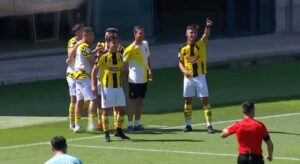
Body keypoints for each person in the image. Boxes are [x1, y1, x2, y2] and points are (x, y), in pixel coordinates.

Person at [91, 34, 130, 142]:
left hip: (118, 87)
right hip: (107, 88)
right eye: (113, 42)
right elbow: (94, 71)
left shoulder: (119, 56)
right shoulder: (103, 56)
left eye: (116, 42)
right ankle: (106, 133)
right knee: (105, 111)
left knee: (121, 110)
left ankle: (118, 130)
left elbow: (122, 71)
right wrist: (93, 85)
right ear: (108, 43)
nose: (116, 44)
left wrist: (125, 84)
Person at [178, 18, 214, 133]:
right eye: (190, 32)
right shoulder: (182, 48)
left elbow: (206, 35)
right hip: (188, 78)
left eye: (194, 32)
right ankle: (188, 125)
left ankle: (209, 125)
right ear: (186, 33)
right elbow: (180, 62)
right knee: (188, 100)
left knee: (204, 99)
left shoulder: (201, 44)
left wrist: (208, 26)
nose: (192, 34)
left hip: (200, 77)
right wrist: (184, 71)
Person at [67, 27, 99, 132]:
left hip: (77, 76)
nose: (93, 37)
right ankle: (91, 123)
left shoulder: (81, 46)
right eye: (91, 35)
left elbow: (87, 55)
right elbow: (91, 60)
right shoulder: (85, 46)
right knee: (93, 99)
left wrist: (95, 51)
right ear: (86, 36)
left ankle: (77, 125)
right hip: (84, 76)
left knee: (79, 101)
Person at [94, 28, 125, 130]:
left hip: (114, 80)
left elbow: (122, 64)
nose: (108, 37)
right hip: (101, 77)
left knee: (116, 104)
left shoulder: (120, 48)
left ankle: (116, 123)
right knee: (100, 101)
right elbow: (96, 62)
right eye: (107, 35)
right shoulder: (100, 47)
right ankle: (100, 122)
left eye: (113, 35)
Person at [123, 26, 152, 132]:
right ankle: (130, 125)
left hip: (143, 79)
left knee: (140, 101)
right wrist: (128, 75)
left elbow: (148, 57)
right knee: (132, 102)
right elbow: (124, 64)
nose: (142, 35)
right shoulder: (130, 48)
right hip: (134, 80)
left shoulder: (145, 44)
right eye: (140, 33)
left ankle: (138, 124)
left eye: (143, 33)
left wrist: (149, 70)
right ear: (135, 34)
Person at [65, 23, 83, 130]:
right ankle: (72, 123)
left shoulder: (84, 42)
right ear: (77, 32)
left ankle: (75, 118)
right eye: (81, 30)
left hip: (81, 74)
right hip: (72, 74)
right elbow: (69, 55)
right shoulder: (72, 41)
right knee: (74, 99)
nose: (83, 32)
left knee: (84, 99)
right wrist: (77, 45)